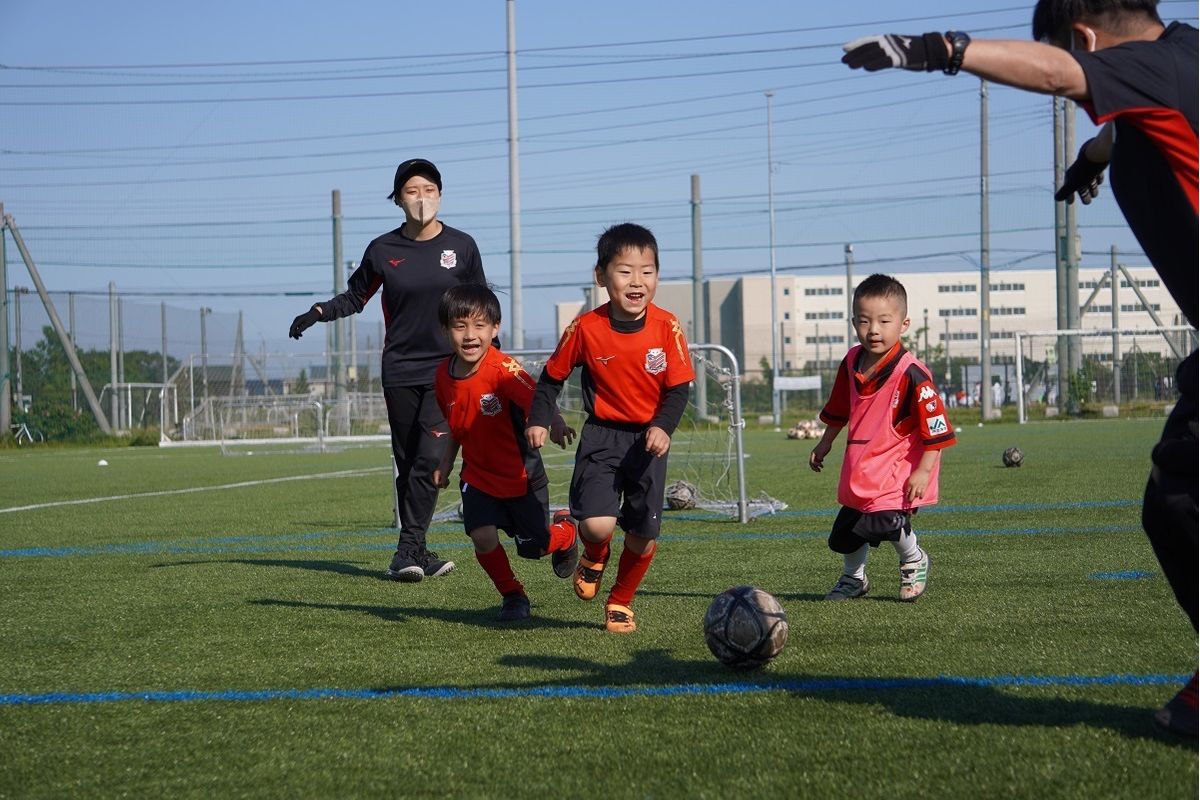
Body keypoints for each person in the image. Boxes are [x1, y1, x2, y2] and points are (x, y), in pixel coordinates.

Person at [841, 0, 1196, 737]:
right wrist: (1094, 158)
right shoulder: (1183, 62)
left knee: (1177, 500)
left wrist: (937, 49)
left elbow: (1060, 74)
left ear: (1089, 39)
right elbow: (1134, 123)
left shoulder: (1145, 66)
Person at [288, 158, 489, 583]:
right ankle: (417, 550)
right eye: (413, 191)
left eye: (430, 189)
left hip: (447, 372)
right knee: (408, 460)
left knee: (432, 458)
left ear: (440, 194)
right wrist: (319, 312)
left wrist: (494, 364)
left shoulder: (463, 246)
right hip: (399, 369)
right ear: (398, 198)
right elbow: (356, 297)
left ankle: (404, 551)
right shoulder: (383, 250)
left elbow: (481, 308)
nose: (422, 199)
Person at [526, 223, 695, 634]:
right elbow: (551, 377)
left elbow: (678, 387)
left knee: (642, 535)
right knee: (598, 524)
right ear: (601, 276)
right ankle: (594, 554)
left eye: (648, 271)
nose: (638, 281)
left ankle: (620, 600)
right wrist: (539, 418)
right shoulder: (585, 328)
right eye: (625, 271)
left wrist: (663, 426)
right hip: (601, 435)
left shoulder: (667, 326)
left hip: (649, 442)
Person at [430, 284, 580, 621]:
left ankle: (567, 532)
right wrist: (444, 463)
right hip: (478, 476)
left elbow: (539, 397)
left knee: (535, 548)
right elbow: (458, 426)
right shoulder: (442, 377)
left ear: (495, 328)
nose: (470, 335)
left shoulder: (504, 371)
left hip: (520, 477)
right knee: (482, 537)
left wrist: (554, 422)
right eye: (460, 326)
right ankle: (513, 595)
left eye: (480, 326)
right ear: (445, 330)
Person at [809, 274, 956, 603]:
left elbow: (936, 427)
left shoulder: (912, 373)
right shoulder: (851, 361)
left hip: (897, 468)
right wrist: (825, 442)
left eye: (883, 321)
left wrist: (923, 470)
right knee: (846, 533)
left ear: (903, 324)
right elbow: (838, 407)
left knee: (886, 521)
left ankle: (913, 559)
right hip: (860, 464)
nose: (873, 329)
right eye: (864, 321)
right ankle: (854, 578)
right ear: (853, 323)